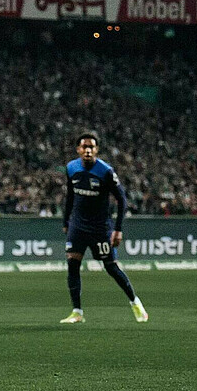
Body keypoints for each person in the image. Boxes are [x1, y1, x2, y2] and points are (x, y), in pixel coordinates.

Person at [60, 132, 147, 324]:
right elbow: (70, 196)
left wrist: (118, 229)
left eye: (91, 147)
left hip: (100, 228)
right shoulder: (71, 168)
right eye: (84, 147)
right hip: (78, 226)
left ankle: (135, 302)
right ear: (78, 150)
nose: (88, 150)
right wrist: (66, 221)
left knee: (111, 267)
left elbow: (122, 199)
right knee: (72, 265)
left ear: (96, 150)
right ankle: (77, 312)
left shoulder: (105, 171)